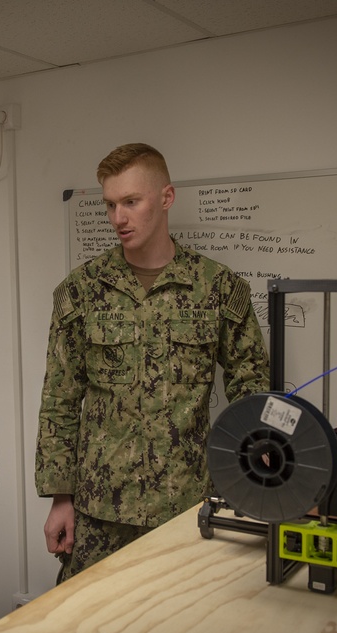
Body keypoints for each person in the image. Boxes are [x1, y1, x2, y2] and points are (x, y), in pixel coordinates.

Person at [35, 143, 271, 582]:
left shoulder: (218, 288)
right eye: (110, 205)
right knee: (89, 630)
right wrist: (59, 498)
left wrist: (248, 484)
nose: (118, 218)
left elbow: (251, 391)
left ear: (166, 198)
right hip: (100, 509)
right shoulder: (80, 292)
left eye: (130, 202)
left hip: (188, 502)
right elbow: (59, 401)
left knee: (181, 631)